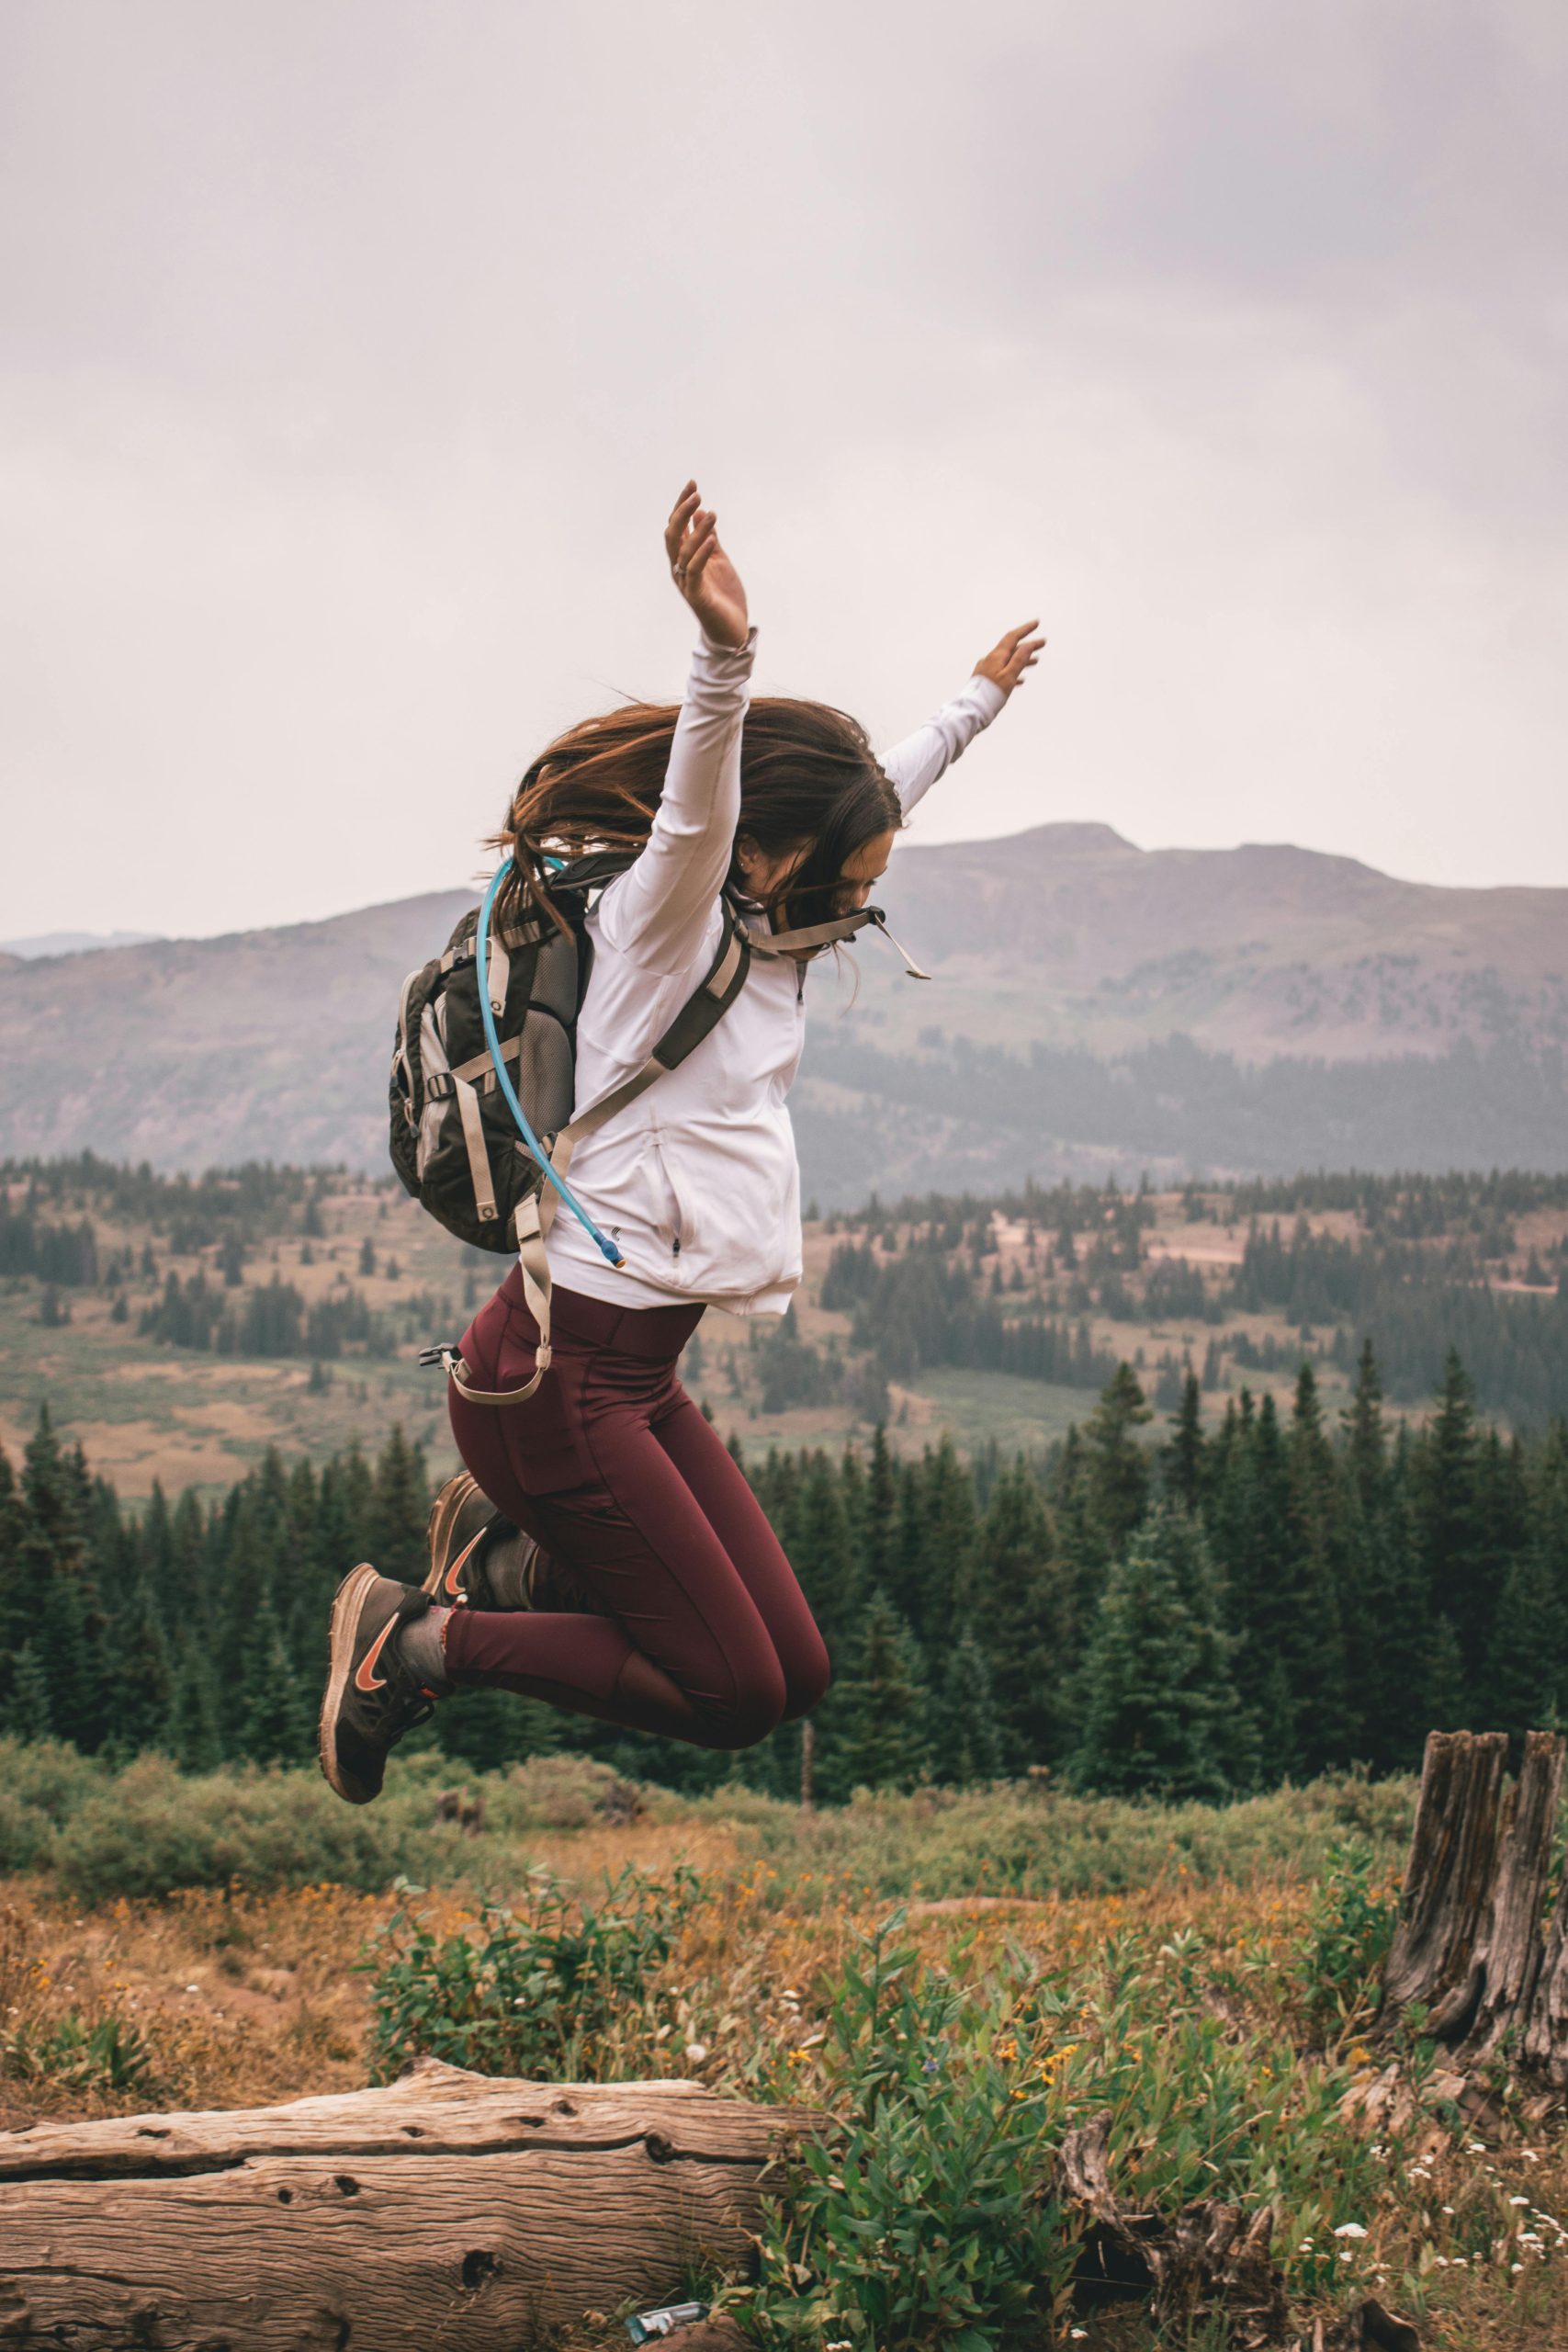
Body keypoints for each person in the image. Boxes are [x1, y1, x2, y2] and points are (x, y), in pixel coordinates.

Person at [319, 481, 1043, 1804]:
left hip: (634, 1381)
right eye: (858, 880)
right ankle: (414, 1641)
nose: (869, 903)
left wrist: (978, 702)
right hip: (556, 1380)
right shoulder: (671, 928)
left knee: (798, 1674)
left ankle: (511, 1563)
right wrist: (724, 656)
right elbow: (704, 808)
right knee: (732, 1694)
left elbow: (888, 788)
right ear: (765, 862)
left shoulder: (783, 930)